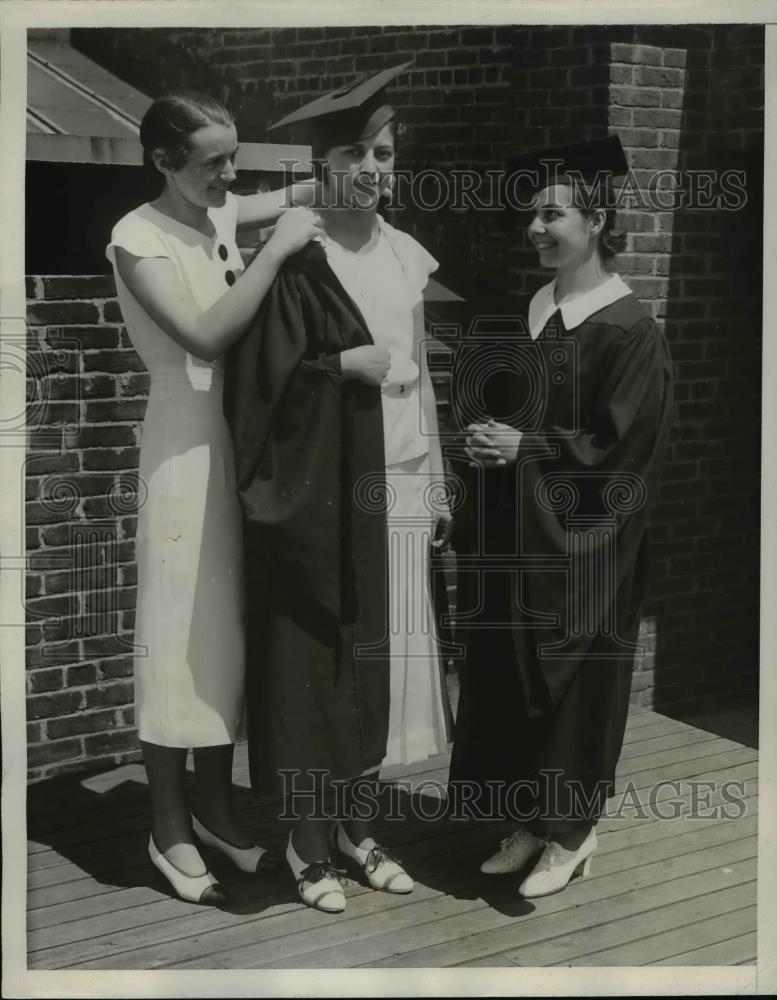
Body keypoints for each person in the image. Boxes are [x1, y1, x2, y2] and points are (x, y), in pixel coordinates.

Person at [225, 63, 452, 914]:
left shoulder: (403, 254)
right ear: (319, 165)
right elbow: (260, 379)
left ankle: (359, 828)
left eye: (385, 153)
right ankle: (306, 842)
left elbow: (422, 371)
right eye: (355, 152)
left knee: (377, 665)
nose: (373, 168)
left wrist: (430, 476)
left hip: (392, 476)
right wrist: (335, 369)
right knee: (311, 661)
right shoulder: (295, 250)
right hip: (321, 484)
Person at [106, 90, 323, 906]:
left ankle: (217, 808)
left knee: (226, 640)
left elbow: (289, 196)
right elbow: (201, 333)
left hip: (238, 447)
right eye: (210, 162)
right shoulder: (137, 239)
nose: (229, 176)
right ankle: (167, 828)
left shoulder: (218, 210)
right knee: (176, 635)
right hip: (182, 452)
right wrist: (274, 253)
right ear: (162, 161)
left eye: (234, 158)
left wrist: (331, 173)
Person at [448, 136, 673, 897]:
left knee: (574, 685)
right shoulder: (539, 307)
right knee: (514, 676)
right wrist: (485, 444)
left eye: (552, 214)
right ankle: (529, 818)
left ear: (597, 218)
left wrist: (527, 448)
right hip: (523, 531)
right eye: (531, 215)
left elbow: (622, 451)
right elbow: (513, 412)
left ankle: (572, 833)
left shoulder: (629, 328)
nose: (535, 228)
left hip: (587, 545)